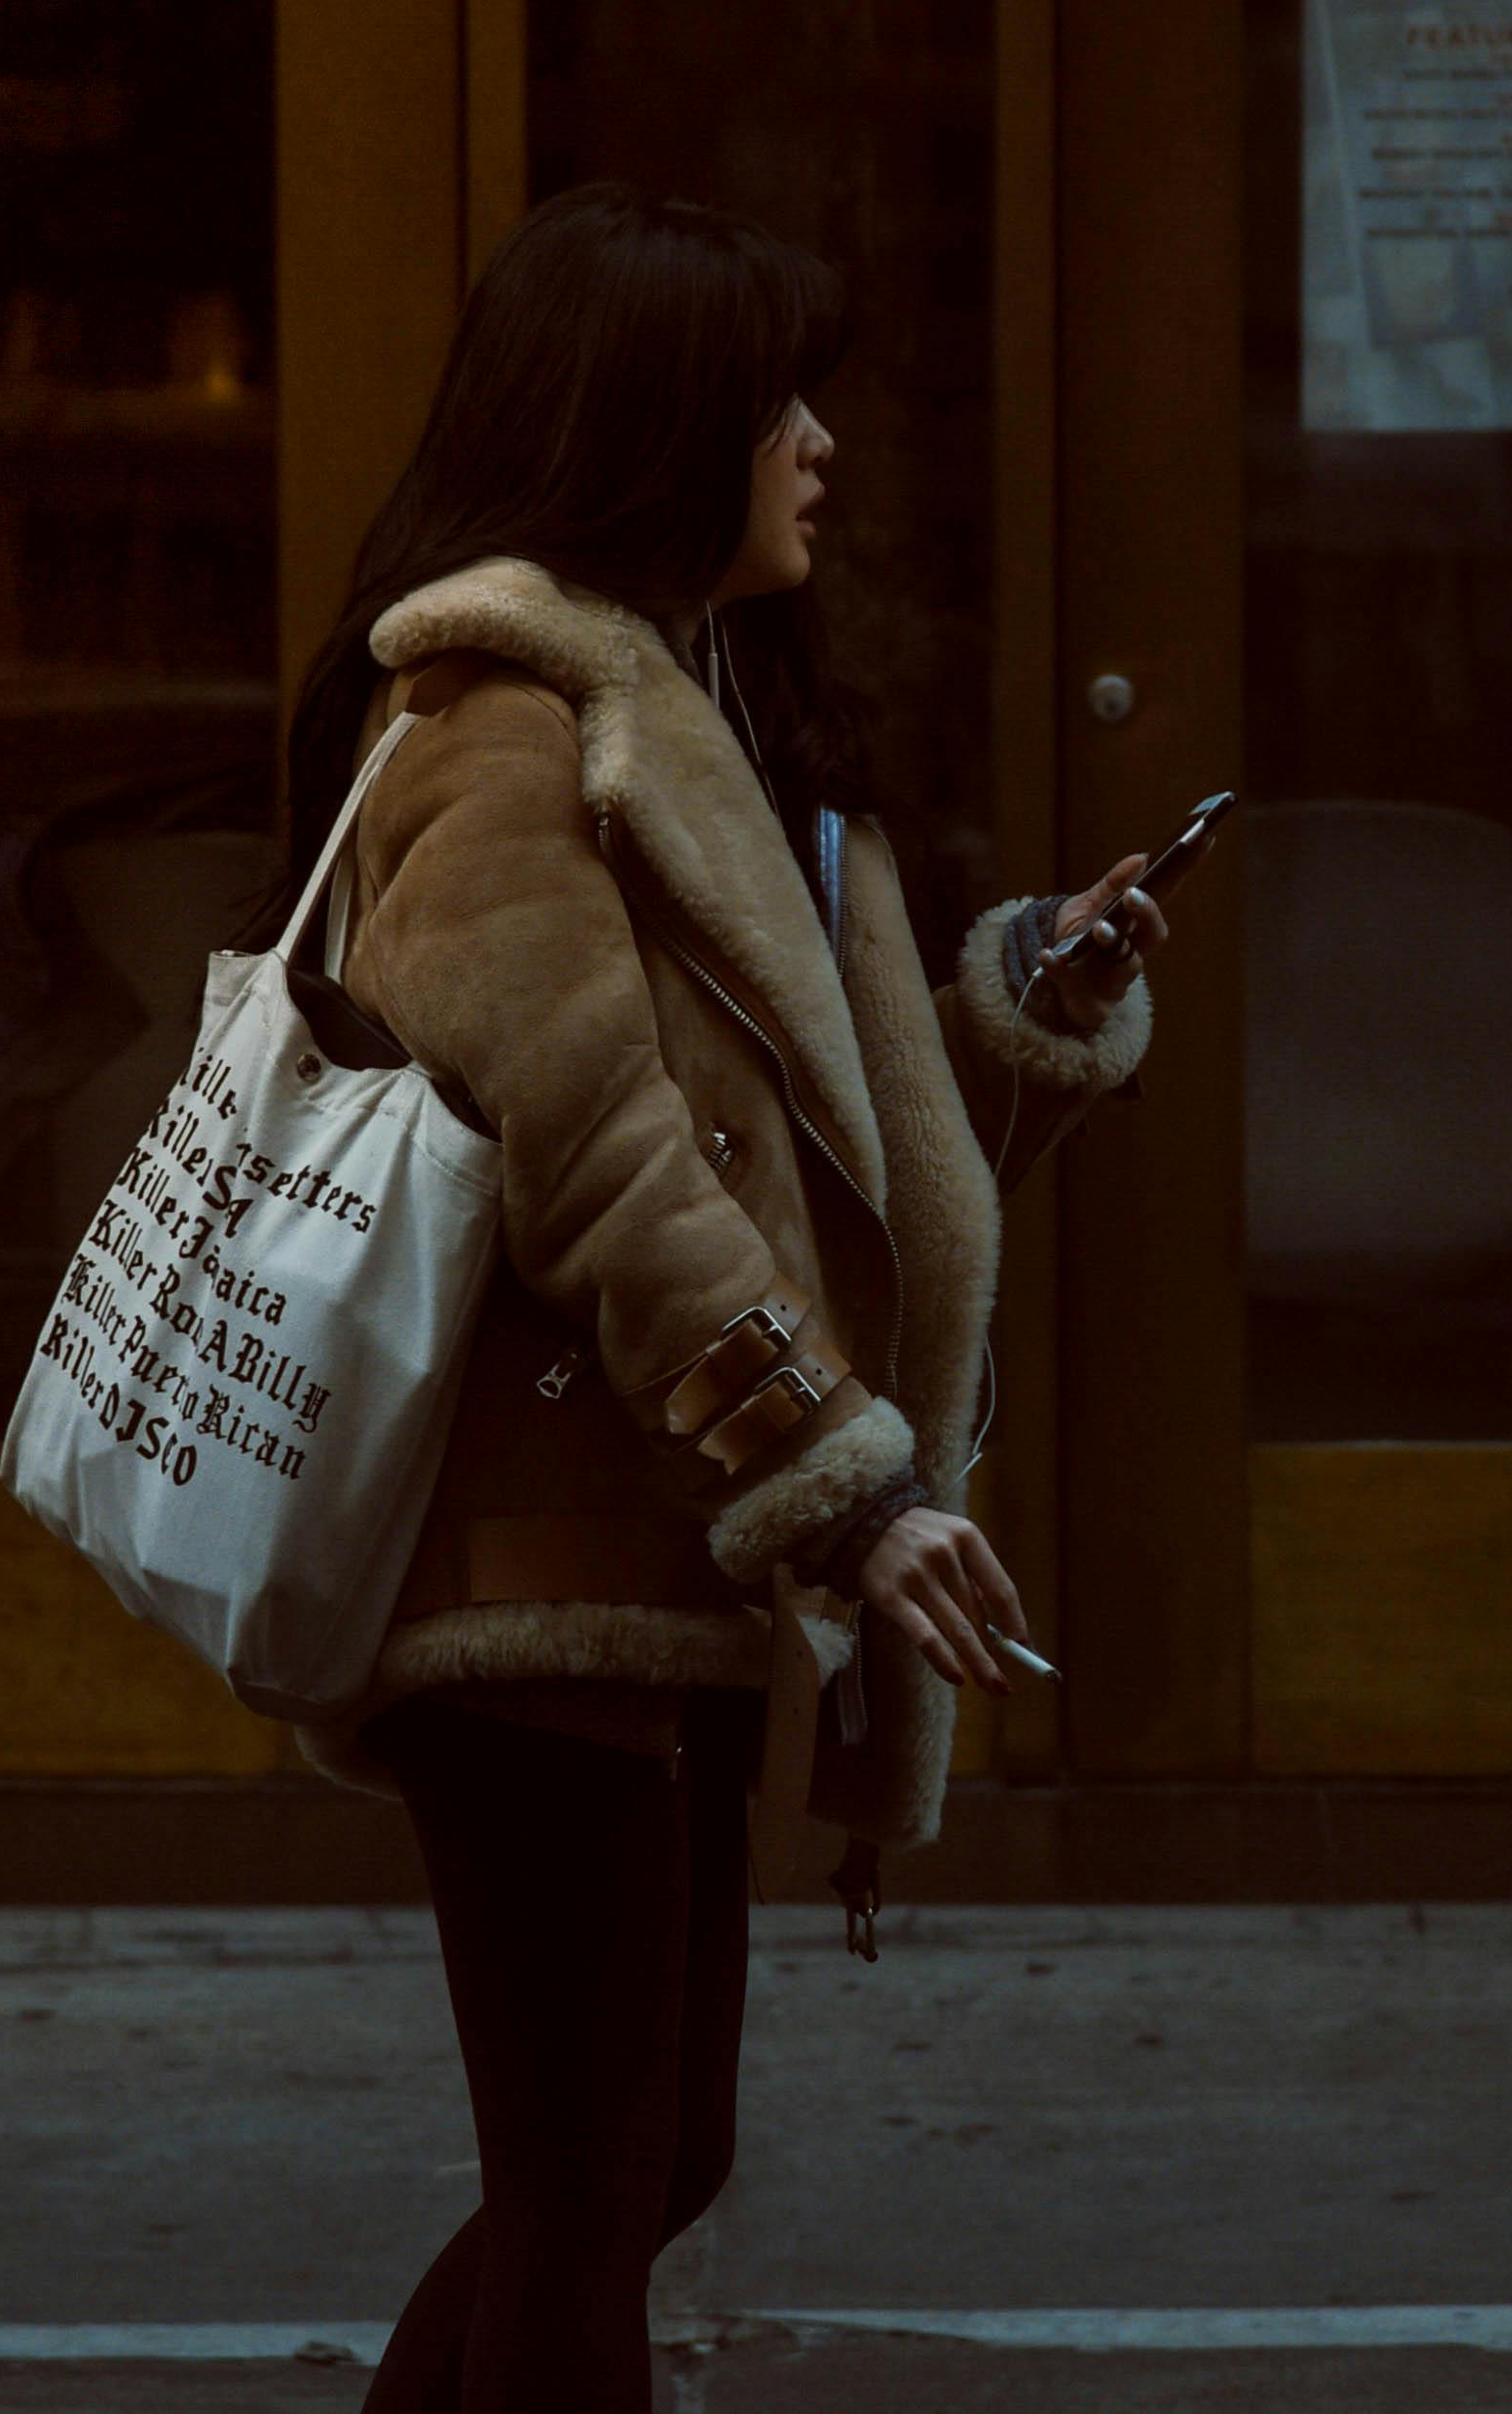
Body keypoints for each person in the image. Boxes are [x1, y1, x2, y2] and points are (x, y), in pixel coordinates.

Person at [284, 183, 1169, 2409]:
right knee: (595, 2185)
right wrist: (837, 1476)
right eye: (775, 396)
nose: (816, 442)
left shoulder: (706, 711)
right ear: (650, 418)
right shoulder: (497, 727)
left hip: (652, 1541)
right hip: (538, 1565)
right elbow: (600, 1156)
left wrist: (1019, 1014)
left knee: (646, 2167)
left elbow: (789, 1161)